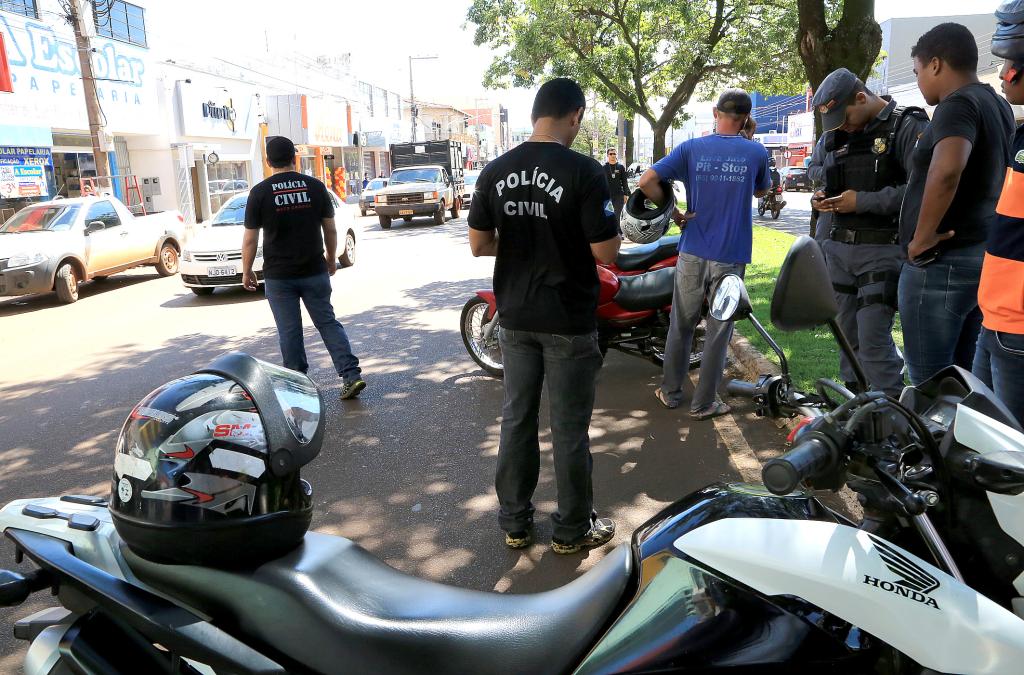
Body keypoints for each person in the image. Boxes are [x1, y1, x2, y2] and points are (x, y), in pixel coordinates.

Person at [468, 78, 621, 554]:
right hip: (568, 321)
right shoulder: (584, 170)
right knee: (569, 429)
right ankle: (572, 530)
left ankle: (515, 523)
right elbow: (607, 252)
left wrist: (520, 242)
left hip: (514, 317)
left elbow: (479, 244)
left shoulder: (496, 170)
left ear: (536, 115)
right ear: (575, 116)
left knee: (517, 420)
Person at [641, 89, 771, 419]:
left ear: (716, 112)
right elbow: (761, 189)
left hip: (693, 249)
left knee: (681, 324)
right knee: (718, 331)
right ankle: (705, 403)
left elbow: (647, 181)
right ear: (745, 118)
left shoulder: (692, 148)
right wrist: (748, 141)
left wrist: (673, 213)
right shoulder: (756, 152)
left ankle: (670, 392)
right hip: (730, 252)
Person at [898, 22, 1015, 385]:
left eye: (917, 72)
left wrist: (922, 236)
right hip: (981, 257)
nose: (918, 81)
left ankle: (935, 441)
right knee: (965, 379)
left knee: (929, 384)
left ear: (936, 64)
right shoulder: (997, 103)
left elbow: (947, 170)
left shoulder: (957, 103)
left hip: (941, 264)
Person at [809, 69, 929, 397]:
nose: (842, 126)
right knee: (847, 338)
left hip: (883, 250)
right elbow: (819, 170)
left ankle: (894, 416)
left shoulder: (907, 126)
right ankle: (859, 408)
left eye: (844, 117)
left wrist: (861, 201)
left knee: (873, 338)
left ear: (861, 98)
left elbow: (920, 191)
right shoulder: (836, 134)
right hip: (839, 249)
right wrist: (823, 195)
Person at [243, 136, 366, 400]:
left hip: (279, 276)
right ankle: (351, 375)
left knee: (290, 332)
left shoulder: (260, 192)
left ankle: (299, 389)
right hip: (314, 269)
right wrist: (331, 258)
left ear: (268, 161)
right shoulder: (315, 187)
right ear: (294, 158)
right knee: (328, 323)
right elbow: (330, 228)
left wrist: (247, 270)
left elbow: (250, 238)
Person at [974, 2, 1024, 425]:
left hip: (1018, 330)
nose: (1004, 73)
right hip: (996, 319)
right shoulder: (1021, 133)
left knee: (1013, 462)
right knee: (980, 444)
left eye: (1009, 63)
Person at [604, 147, 630, 222]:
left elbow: (625, 182)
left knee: (617, 214)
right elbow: (601, 182)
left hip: (619, 195)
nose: (612, 155)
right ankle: (610, 231)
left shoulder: (620, 167)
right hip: (607, 195)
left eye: (614, 154)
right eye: (611, 154)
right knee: (609, 214)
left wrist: (626, 194)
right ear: (608, 155)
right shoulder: (604, 167)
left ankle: (618, 231)